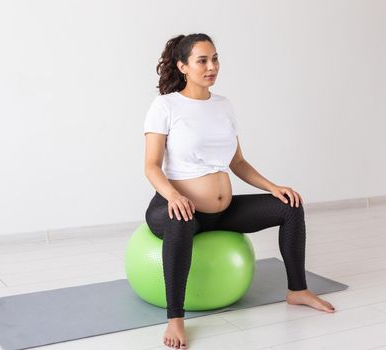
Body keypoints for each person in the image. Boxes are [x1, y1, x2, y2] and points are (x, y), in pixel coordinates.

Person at [143, 33, 335, 349]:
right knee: (180, 219)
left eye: (215, 58)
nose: (211, 66)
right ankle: (175, 318)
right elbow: (151, 166)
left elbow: (239, 162)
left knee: (290, 206)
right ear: (183, 66)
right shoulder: (165, 106)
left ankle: (297, 290)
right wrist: (174, 196)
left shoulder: (223, 105)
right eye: (202, 60)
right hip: (175, 209)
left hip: (220, 212)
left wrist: (274, 187)